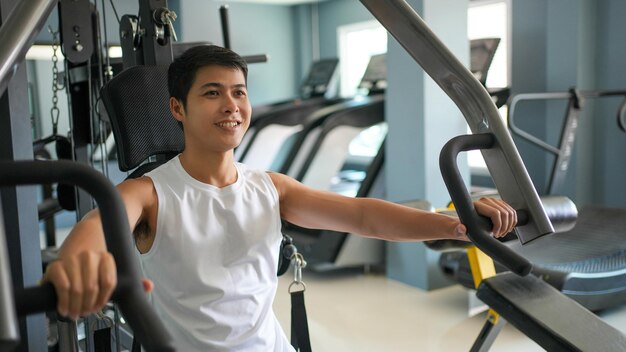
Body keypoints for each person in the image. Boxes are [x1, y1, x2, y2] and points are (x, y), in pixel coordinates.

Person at [42, 45, 517, 351]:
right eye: (212, 93)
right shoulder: (148, 193)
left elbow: (362, 215)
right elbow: (95, 229)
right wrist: (75, 262)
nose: (231, 105)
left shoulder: (270, 187)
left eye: (239, 93)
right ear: (177, 109)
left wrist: (456, 222)